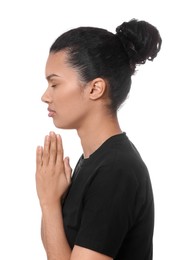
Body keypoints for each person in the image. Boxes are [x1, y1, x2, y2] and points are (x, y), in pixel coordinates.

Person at [35, 18, 162, 260]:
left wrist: (49, 203)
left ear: (95, 89)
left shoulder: (116, 170)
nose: (45, 96)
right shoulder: (92, 161)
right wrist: (50, 200)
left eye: (54, 83)